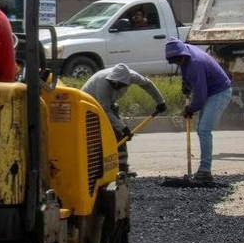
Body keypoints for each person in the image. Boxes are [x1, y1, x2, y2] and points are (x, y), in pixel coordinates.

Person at [164, 37, 234, 184]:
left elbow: (200, 97)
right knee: (202, 130)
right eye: (175, 62)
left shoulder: (195, 64)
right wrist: (186, 83)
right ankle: (204, 169)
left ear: (183, 55)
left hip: (219, 92)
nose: (178, 63)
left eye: (178, 60)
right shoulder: (185, 52)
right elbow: (188, 73)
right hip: (210, 91)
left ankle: (205, 171)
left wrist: (190, 108)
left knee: (204, 130)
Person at [82, 64, 167, 166]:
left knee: (120, 136)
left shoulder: (133, 77)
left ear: (127, 82)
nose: (116, 86)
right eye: (113, 83)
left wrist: (160, 101)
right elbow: (105, 110)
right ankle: (95, 166)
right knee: (96, 136)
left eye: (119, 84)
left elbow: (147, 84)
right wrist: (123, 128)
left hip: (108, 105)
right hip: (89, 105)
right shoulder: (103, 83)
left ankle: (122, 167)